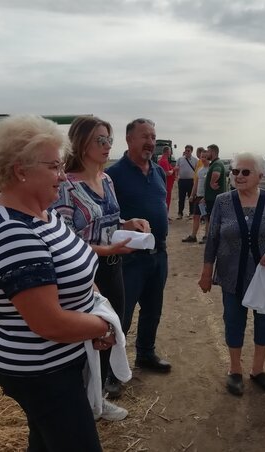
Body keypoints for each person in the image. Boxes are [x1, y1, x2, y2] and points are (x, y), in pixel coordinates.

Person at [0, 114, 117, 451]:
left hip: (59, 361)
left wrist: (94, 307)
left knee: (45, 441)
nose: (63, 175)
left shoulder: (43, 212)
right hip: (41, 371)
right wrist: (102, 326)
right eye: (54, 167)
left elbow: (77, 266)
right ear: (21, 170)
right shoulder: (13, 233)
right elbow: (49, 322)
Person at [51, 115, 149, 415]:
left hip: (112, 267)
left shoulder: (107, 180)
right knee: (85, 339)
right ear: (80, 143)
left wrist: (128, 223)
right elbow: (62, 237)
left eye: (109, 140)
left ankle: (98, 397)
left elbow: (107, 221)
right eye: (100, 140)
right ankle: (80, 403)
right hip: (83, 271)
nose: (107, 146)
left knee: (111, 330)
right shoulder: (66, 185)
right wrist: (104, 249)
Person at [198, 152, 265, 396]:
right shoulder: (222, 201)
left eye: (245, 172)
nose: (238, 176)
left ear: (260, 176)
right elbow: (212, 238)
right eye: (235, 172)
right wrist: (207, 270)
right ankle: (234, 370)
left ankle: (258, 369)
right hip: (232, 275)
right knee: (233, 321)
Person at [105, 118, 172, 395]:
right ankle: (113, 372)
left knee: (153, 309)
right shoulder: (114, 174)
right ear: (129, 139)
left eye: (154, 137)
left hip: (159, 254)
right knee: (123, 315)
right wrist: (126, 223)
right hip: (130, 258)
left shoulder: (158, 171)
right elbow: (107, 217)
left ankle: (145, 353)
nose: (151, 142)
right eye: (145, 136)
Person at [182, 147, 209, 242]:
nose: (203, 158)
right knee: (196, 216)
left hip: (205, 197)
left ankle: (206, 236)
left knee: (206, 217)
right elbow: (196, 184)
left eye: (205, 157)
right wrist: (192, 195)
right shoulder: (200, 169)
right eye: (202, 157)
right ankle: (193, 236)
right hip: (198, 196)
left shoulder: (210, 169)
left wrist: (206, 197)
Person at [202, 144, 226, 244]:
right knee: (212, 218)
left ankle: (215, 239)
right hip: (211, 198)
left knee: (215, 219)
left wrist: (212, 183)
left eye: (208, 151)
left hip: (215, 199)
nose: (206, 153)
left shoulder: (217, 164)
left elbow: (216, 173)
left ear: (212, 152)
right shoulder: (215, 163)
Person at [175, 145, 198, 219]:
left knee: (191, 198)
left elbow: (197, 171)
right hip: (182, 181)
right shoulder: (180, 159)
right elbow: (176, 168)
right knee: (181, 198)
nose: (187, 152)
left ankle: (191, 213)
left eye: (188, 150)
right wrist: (176, 177)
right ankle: (180, 213)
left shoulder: (195, 160)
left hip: (191, 181)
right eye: (186, 150)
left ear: (191, 151)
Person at [158, 146, 175, 217]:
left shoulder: (163, 160)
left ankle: (165, 215)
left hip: (167, 184)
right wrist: (174, 170)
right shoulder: (164, 161)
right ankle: (165, 216)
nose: (171, 152)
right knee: (166, 200)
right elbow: (167, 173)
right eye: (170, 151)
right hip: (166, 184)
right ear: (167, 152)